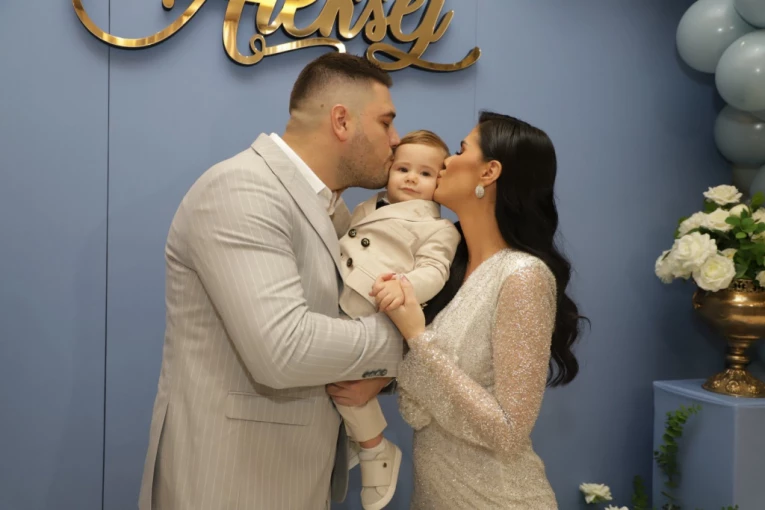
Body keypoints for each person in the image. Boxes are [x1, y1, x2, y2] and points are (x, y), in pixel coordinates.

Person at [138, 53, 406, 510]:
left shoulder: (332, 211)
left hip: (291, 477)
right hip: (231, 484)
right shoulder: (243, 189)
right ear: (342, 121)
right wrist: (408, 341)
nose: (396, 140)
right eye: (386, 122)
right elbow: (283, 349)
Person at [371, 112, 587, 509]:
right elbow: (427, 386)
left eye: (460, 150)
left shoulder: (522, 275)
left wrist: (419, 337)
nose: (446, 162)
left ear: (489, 172)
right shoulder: (443, 267)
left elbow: (508, 431)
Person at [334, 130, 460, 510]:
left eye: (425, 173)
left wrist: (403, 285)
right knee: (333, 383)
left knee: (345, 387)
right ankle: (358, 439)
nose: (411, 178)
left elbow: (435, 271)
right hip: (340, 299)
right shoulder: (367, 206)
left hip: (376, 310)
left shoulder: (439, 228)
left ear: (440, 182)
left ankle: (376, 450)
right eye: (403, 168)